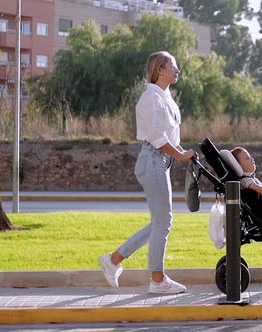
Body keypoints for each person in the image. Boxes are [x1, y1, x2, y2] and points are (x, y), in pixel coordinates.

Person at [98, 51, 195, 294]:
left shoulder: (165, 98)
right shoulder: (150, 97)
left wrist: (183, 152)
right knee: (164, 221)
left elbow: (170, 136)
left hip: (160, 161)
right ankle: (157, 280)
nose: (177, 70)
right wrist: (180, 155)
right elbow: (157, 137)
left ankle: (112, 261)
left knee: (160, 222)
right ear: (159, 70)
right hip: (153, 159)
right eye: (173, 66)